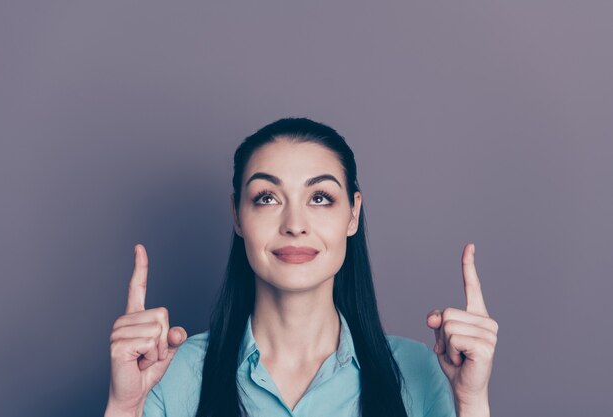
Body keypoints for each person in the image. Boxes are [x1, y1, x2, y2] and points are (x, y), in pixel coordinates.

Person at [104, 118, 498, 417]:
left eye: (321, 197)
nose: (295, 223)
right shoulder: (172, 373)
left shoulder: (417, 372)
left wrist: (471, 399)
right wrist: (124, 405)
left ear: (353, 214)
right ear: (237, 216)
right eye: (267, 198)